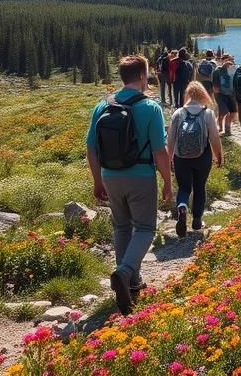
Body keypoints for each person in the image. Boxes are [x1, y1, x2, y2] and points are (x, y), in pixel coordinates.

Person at [86, 55, 171, 315]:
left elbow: (91, 148)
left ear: (123, 77)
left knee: (121, 227)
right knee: (145, 228)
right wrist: (168, 181)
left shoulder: (102, 106)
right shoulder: (151, 107)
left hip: (111, 176)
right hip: (141, 176)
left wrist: (97, 180)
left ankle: (131, 284)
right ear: (143, 76)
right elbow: (160, 151)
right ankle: (124, 273)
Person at [167, 81, 223, 236]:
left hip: (181, 157)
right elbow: (214, 139)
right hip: (202, 157)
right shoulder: (207, 113)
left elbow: (170, 140)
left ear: (188, 94)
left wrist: (169, 159)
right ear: (202, 95)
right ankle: (197, 220)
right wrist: (219, 156)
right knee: (199, 187)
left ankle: (182, 206)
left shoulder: (178, 113)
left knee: (184, 187)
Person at [211, 54, 237, 136]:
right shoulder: (217, 71)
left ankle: (225, 128)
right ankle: (223, 128)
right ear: (223, 61)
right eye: (228, 60)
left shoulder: (232, 70)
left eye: (232, 60)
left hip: (231, 94)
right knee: (224, 112)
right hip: (220, 95)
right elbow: (215, 88)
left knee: (233, 112)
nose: (231, 62)